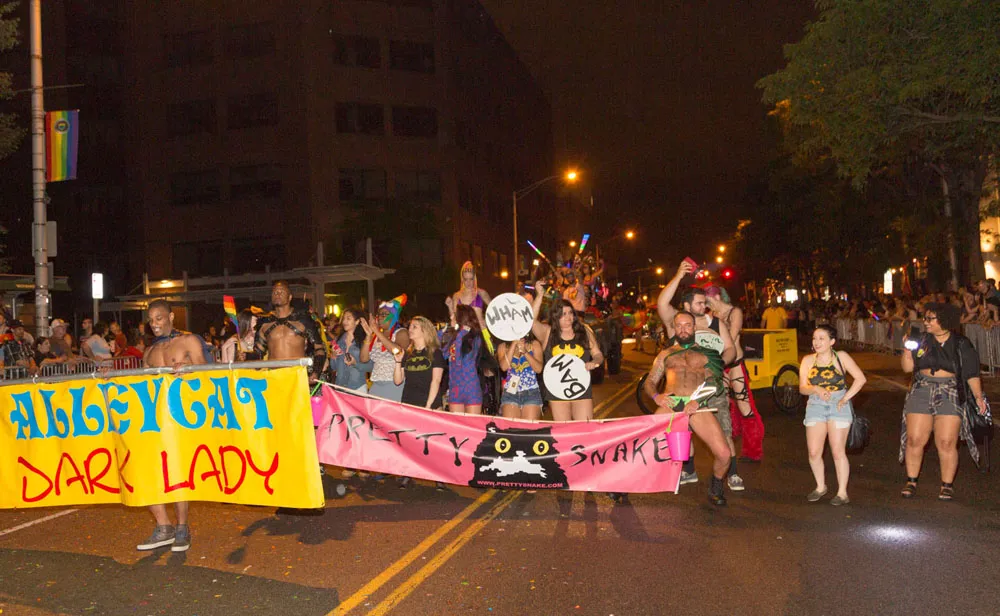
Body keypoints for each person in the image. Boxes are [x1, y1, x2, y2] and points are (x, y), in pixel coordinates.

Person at [136, 299, 211, 552]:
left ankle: (181, 527)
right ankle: (163, 526)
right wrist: (109, 378)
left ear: (170, 317)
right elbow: (138, 384)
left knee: (178, 472)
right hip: (154, 419)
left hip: (183, 418)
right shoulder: (149, 352)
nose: (154, 324)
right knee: (145, 470)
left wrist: (189, 370)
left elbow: (210, 371)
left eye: (158, 318)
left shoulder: (189, 341)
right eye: (151, 320)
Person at [657, 262, 738, 488]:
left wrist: (718, 364)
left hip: (712, 389)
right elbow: (662, 303)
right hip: (683, 391)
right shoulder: (677, 323)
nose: (705, 306)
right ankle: (688, 470)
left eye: (706, 302)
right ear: (686, 305)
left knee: (723, 431)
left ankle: (731, 474)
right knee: (680, 432)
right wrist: (678, 275)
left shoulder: (716, 323)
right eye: (700, 303)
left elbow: (730, 349)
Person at [900, 303, 987, 501]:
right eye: (925, 318)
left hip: (950, 391)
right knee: (914, 439)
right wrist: (906, 350)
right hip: (922, 389)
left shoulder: (961, 343)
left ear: (944, 320)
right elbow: (907, 368)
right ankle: (911, 481)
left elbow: (972, 373)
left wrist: (978, 397)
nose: (925, 322)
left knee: (946, 441)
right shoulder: (920, 339)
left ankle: (946, 485)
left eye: (930, 318)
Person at [644, 311, 733, 506]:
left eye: (687, 325)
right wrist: (657, 397)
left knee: (724, 454)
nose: (683, 329)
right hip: (671, 404)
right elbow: (649, 382)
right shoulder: (665, 354)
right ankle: (622, 487)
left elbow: (715, 381)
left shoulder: (707, 353)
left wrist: (697, 400)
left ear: (694, 328)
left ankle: (716, 485)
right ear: (674, 329)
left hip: (697, 405)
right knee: (642, 448)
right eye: (679, 326)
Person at [798, 324, 866, 505]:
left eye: (822, 338)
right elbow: (802, 388)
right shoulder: (807, 360)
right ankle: (820, 487)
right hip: (815, 404)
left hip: (838, 405)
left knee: (837, 451)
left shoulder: (841, 357)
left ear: (832, 341)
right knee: (814, 452)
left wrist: (845, 398)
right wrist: (816, 388)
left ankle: (842, 493)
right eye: (814, 338)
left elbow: (860, 379)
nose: (817, 342)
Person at [706, 287, 766, 465]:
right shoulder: (710, 316)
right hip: (721, 365)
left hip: (736, 364)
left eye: (708, 300)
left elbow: (730, 339)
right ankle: (726, 449)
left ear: (717, 296)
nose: (706, 304)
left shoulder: (735, 312)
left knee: (744, 406)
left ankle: (752, 450)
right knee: (722, 407)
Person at [531, 282, 604, 421]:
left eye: (570, 313)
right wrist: (539, 295)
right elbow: (531, 321)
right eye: (563, 314)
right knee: (563, 429)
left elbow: (598, 354)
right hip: (556, 389)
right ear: (555, 316)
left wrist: (594, 362)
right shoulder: (548, 333)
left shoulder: (584, 331)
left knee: (584, 427)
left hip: (581, 387)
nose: (568, 317)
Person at [253, 281, 327, 383]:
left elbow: (319, 349)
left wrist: (316, 372)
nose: (278, 294)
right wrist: (245, 356)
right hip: (273, 377)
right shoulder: (264, 323)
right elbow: (258, 353)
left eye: (282, 292)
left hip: (297, 377)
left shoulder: (303, 320)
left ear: (290, 297)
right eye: (275, 292)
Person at [360, 295, 409, 401]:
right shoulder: (375, 336)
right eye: (379, 314)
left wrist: (377, 332)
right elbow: (364, 359)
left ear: (394, 316)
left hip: (394, 384)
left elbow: (397, 352)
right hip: (376, 384)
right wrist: (368, 335)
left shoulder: (401, 333)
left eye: (384, 314)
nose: (380, 317)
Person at [395, 315, 446, 409]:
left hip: (430, 404)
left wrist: (428, 405)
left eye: (414, 327)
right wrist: (398, 362)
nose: (410, 329)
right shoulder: (407, 353)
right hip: (408, 403)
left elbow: (436, 381)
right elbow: (398, 381)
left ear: (425, 331)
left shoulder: (435, 353)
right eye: (410, 326)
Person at [496, 331, 544, 420]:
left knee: (528, 427)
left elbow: (538, 369)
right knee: (511, 426)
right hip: (510, 393)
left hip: (531, 391)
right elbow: (504, 367)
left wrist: (525, 352)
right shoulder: (503, 346)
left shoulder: (534, 344)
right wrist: (513, 344)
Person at [446, 304, 485, 414]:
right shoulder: (453, 338)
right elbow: (444, 356)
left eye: (454, 314)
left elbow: (459, 360)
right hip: (455, 388)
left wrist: (460, 336)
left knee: (472, 423)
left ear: (461, 318)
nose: (451, 317)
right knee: (456, 424)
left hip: (470, 387)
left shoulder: (475, 338)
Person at [331, 309, 373, 393]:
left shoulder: (364, 341)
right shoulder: (338, 340)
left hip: (357, 387)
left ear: (357, 321)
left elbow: (370, 367)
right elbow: (334, 367)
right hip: (340, 387)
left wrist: (355, 363)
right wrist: (333, 356)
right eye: (343, 318)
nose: (344, 321)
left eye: (348, 318)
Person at [449, 261, 491, 330]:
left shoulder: (481, 293)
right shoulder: (456, 296)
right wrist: (449, 306)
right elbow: (454, 319)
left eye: (471, 279)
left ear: (474, 278)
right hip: (463, 333)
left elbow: (495, 310)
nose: (468, 282)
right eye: (466, 279)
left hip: (481, 331)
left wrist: (486, 321)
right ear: (462, 279)